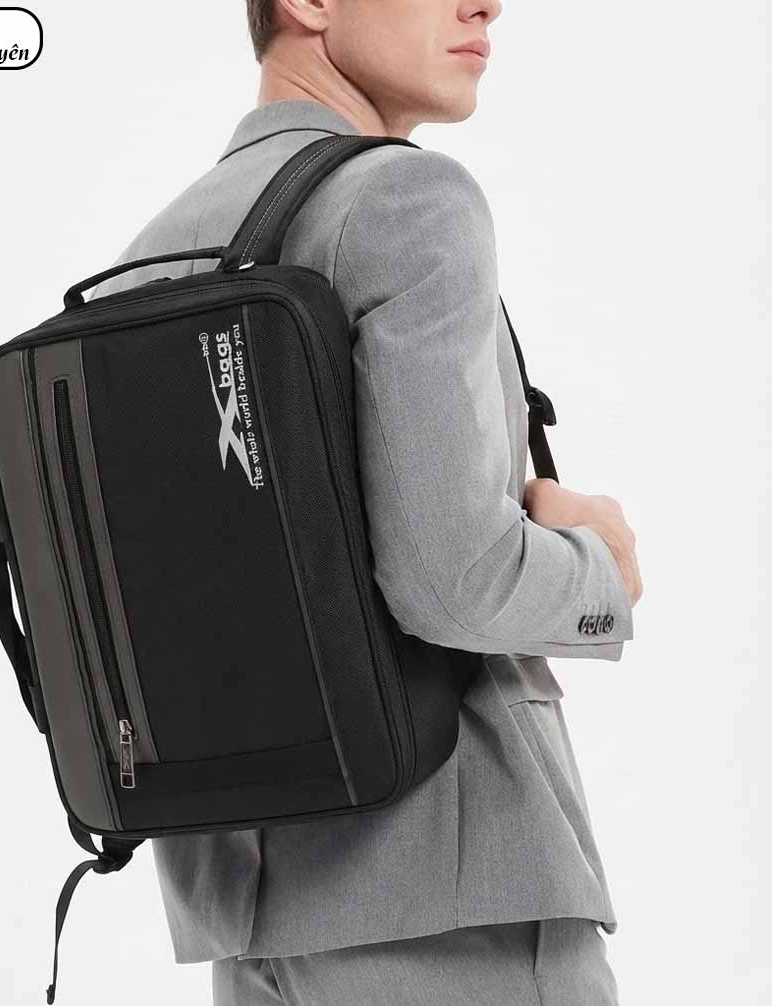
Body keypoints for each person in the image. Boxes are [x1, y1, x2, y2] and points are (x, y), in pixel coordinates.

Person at [92, 1, 643, 1002]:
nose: (487, 3)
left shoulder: (151, 251)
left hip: (246, 921)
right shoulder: (406, 197)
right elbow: (453, 582)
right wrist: (600, 563)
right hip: (452, 907)